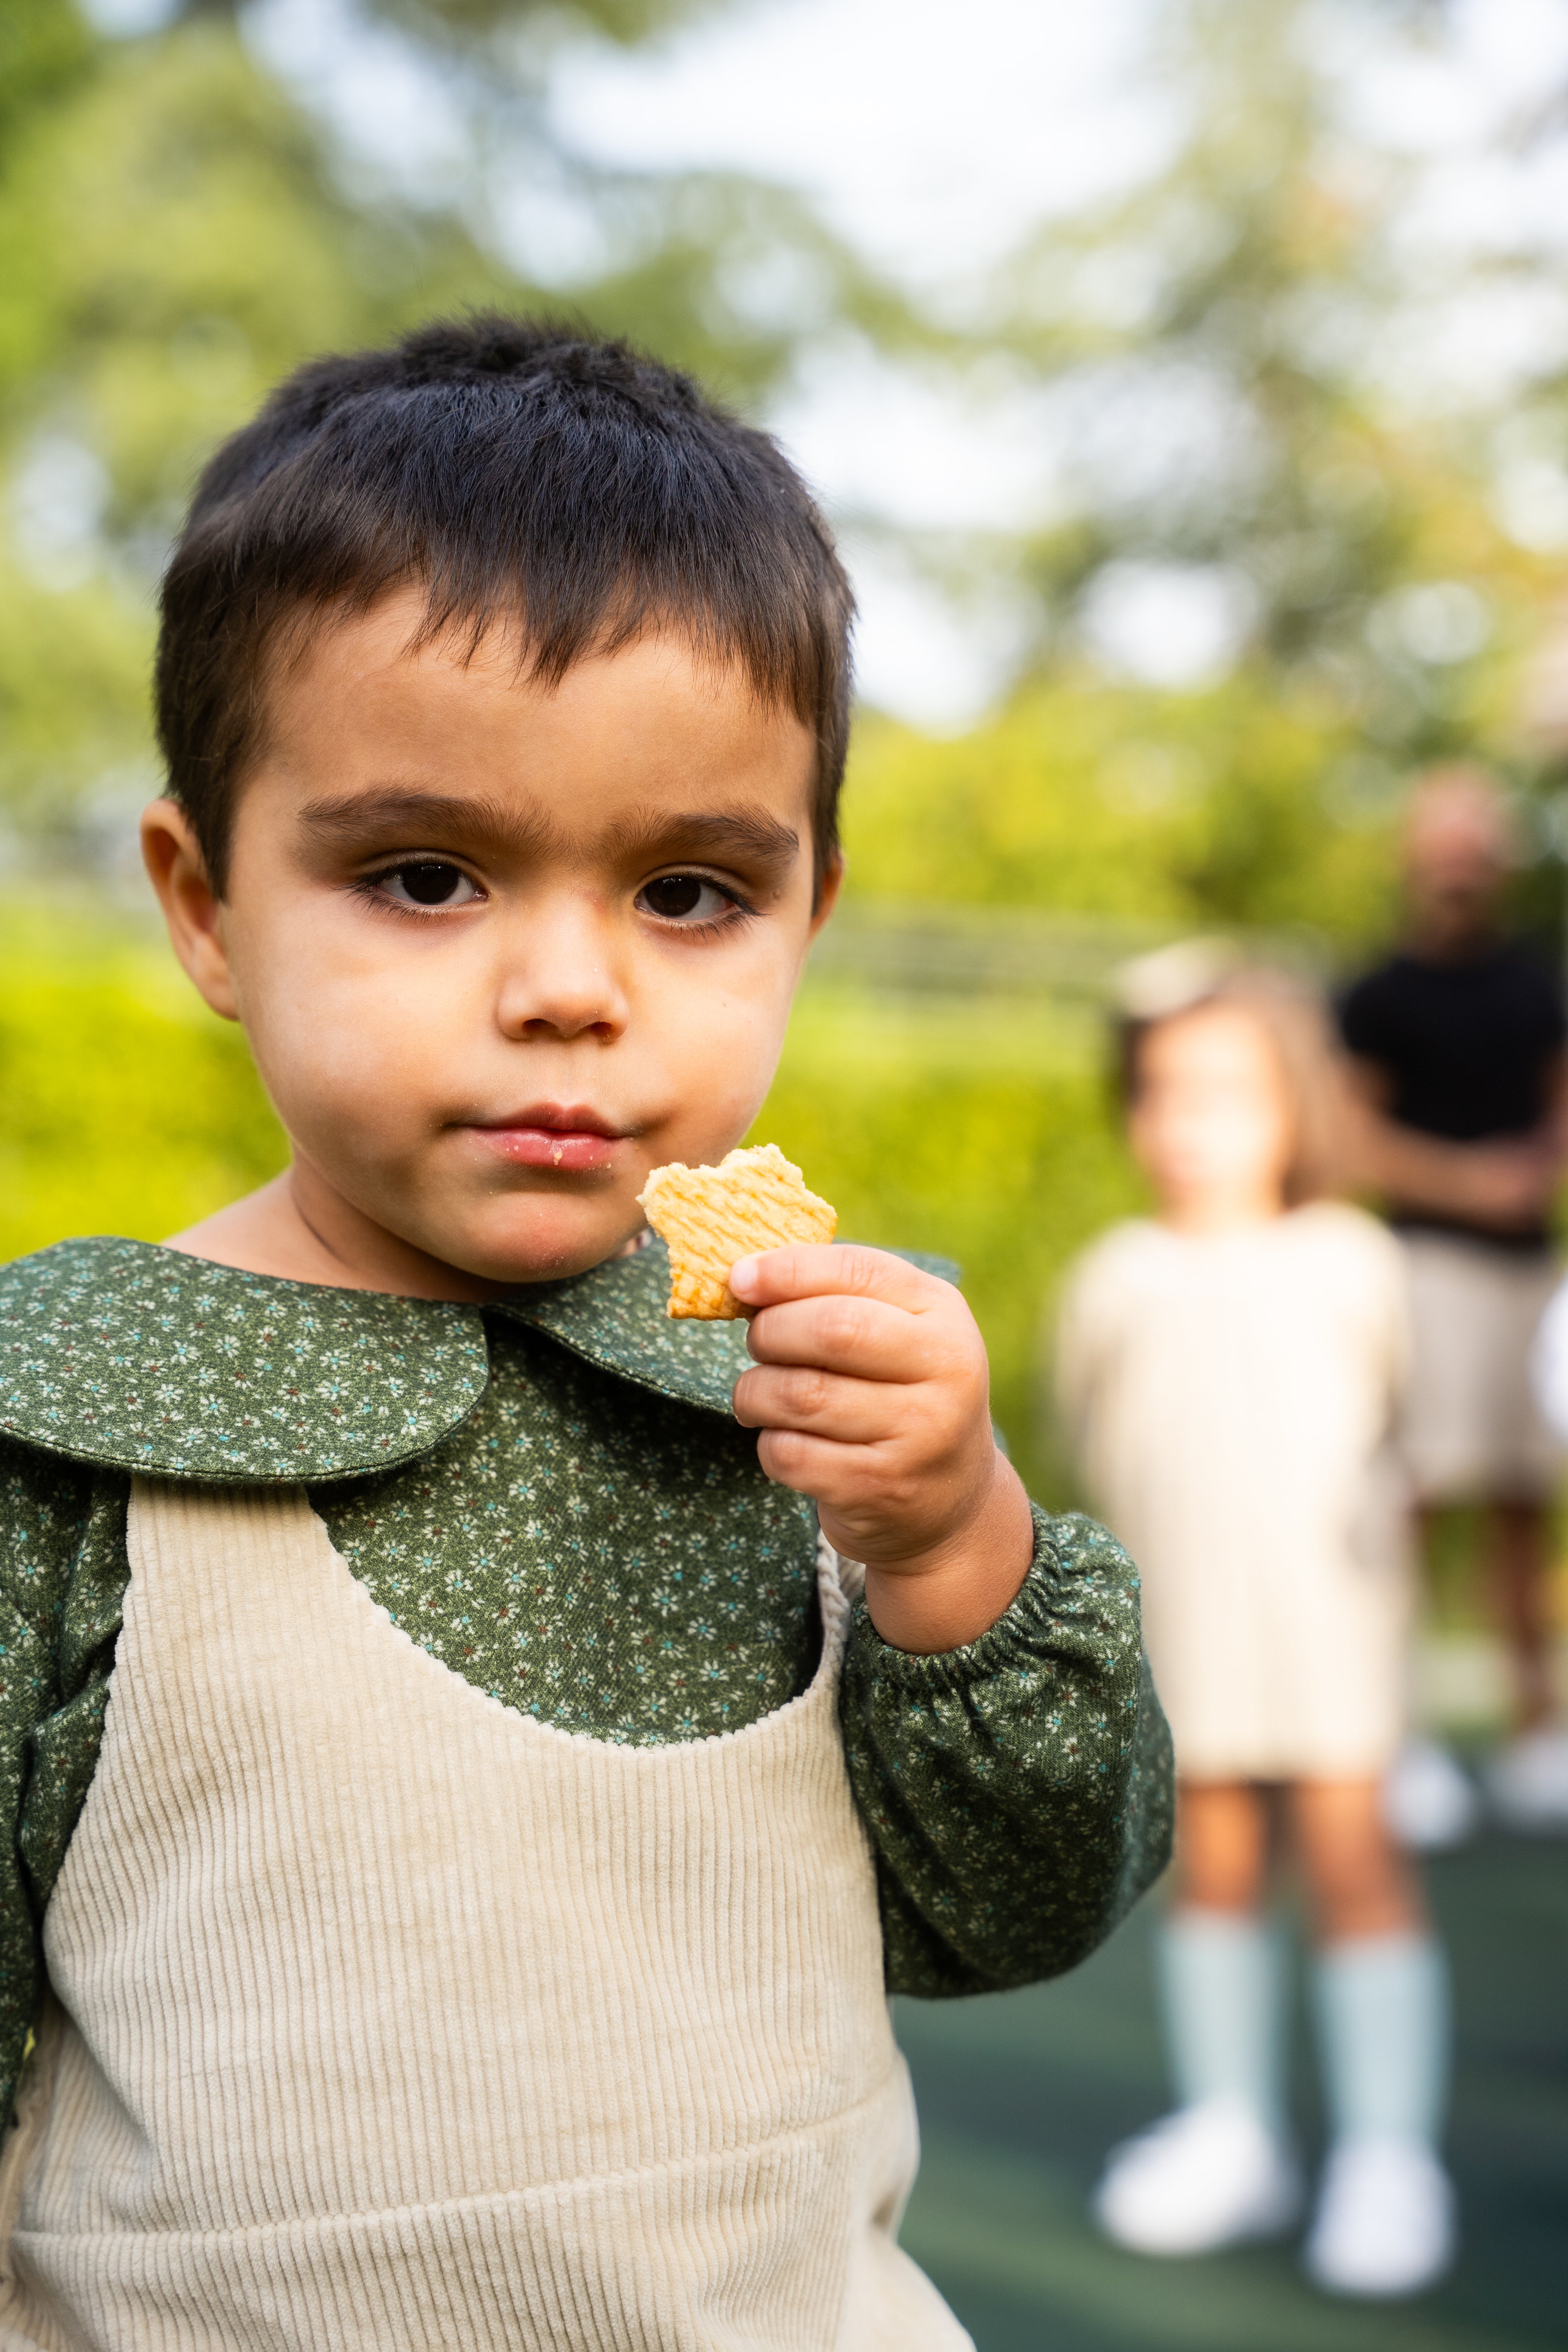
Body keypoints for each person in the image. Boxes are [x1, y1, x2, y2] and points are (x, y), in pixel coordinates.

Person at [0, 318, 1172, 2349]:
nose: (569, 988)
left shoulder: (820, 1390)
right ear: (205, 905)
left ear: (808, 915)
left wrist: (955, 1540)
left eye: (694, 893)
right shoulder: (72, 1421)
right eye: (427, 875)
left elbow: (1026, 1909)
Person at [1058, 956, 1454, 2299]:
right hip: (1189, 1638)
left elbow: (1404, 1439)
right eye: (1165, 1094)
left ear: (1296, 1104)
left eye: (1228, 1093)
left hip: (1331, 1635)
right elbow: (1101, 1451)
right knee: (1213, 1864)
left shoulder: (1351, 1259)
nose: (1192, 1124)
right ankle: (1235, 2133)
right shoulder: (1115, 1275)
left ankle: (1389, 2158)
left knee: (1356, 1865)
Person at [1339, 768, 1568, 1835]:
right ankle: (1405, 1736)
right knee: (1416, 1501)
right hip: (1423, 1269)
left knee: (1527, 1503)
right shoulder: (1378, 992)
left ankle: (1537, 1734)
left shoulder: (1538, 984)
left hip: (1532, 1272)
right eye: (1447, 842)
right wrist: (1470, 1181)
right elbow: (1356, 1136)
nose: (1462, 863)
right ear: (1416, 855)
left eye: (1478, 844)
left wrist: (1535, 1169)